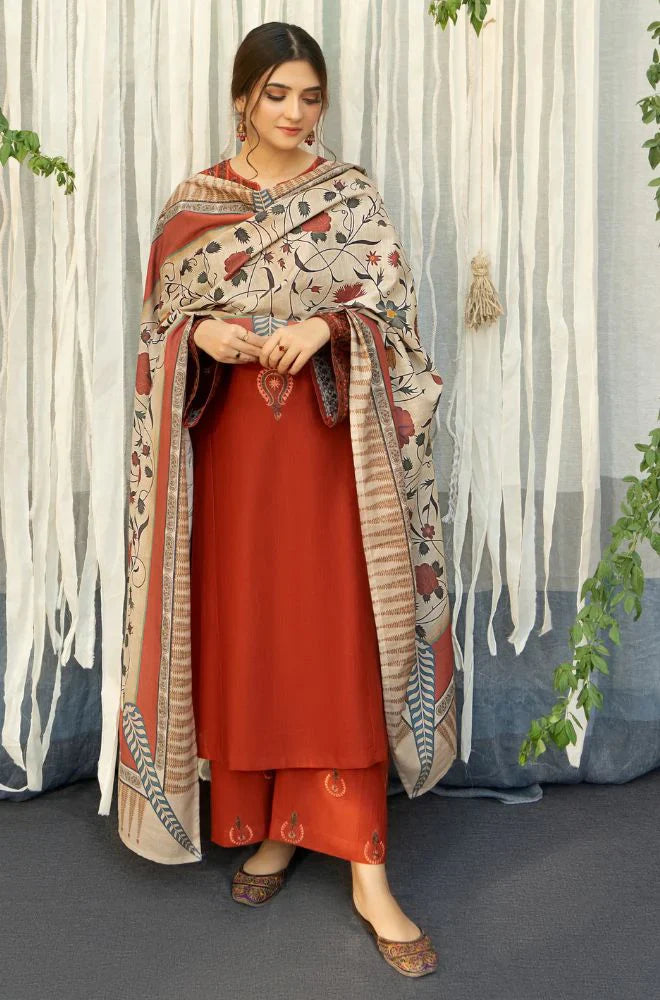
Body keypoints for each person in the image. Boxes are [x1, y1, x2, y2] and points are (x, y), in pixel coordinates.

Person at [118, 21, 456, 980]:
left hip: (323, 451)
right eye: (278, 96)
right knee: (252, 634)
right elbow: (158, 337)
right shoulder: (194, 204)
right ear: (242, 99)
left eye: (312, 97)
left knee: (330, 635)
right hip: (231, 455)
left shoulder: (349, 197)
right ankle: (272, 826)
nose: (298, 115)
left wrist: (323, 323)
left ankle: (365, 866)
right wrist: (204, 337)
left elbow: (394, 315)